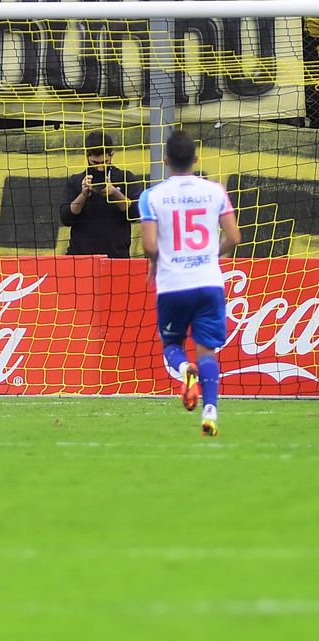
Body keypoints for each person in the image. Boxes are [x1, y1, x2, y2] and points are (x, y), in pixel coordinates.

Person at [139, 130, 241, 437]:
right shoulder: (215, 191)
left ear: (165, 160)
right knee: (207, 352)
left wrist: (158, 262)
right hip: (209, 282)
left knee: (171, 345)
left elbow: (149, 246)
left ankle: (186, 372)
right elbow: (235, 237)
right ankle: (210, 413)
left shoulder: (151, 196)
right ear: (196, 159)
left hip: (173, 285)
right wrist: (210, 255)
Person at [60, 131, 143, 258]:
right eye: (95, 163)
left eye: (104, 162)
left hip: (116, 258)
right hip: (81, 258)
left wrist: (115, 193)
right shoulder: (75, 181)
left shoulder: (125, 177)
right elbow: (66, 218)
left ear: (112, 155)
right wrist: (83, 194)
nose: (100, 168)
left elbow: (135, 213)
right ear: (87, 156)